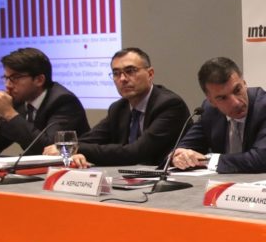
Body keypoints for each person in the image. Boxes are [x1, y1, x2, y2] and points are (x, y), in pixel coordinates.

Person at [46, 48, 190, 168]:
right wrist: (75, 151)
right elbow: (91, 139)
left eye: (130, 71)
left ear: (150, 74)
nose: (123, 79)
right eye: (116, 73)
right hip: (131, 178)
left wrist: (74, 148)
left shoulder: (169, 105)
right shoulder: (119, 107)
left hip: (169, 181)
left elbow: (136, 152)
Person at [171, 57, 266, 174]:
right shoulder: (209, 111)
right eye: (222, 98)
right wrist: (179, 157)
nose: (236, 103)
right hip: (230, 187)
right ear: (212, 101)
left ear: (244, 83)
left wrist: (207, 160)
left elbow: (258, 160)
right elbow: (182, 148)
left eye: (237, 90)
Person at [0, 47, 88, 157]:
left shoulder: (63, 101)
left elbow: (49, 150)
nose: (8, 85)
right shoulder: (18, 101)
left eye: (15, 78)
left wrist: (10, 114)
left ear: (39, 80)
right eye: (6, 78)